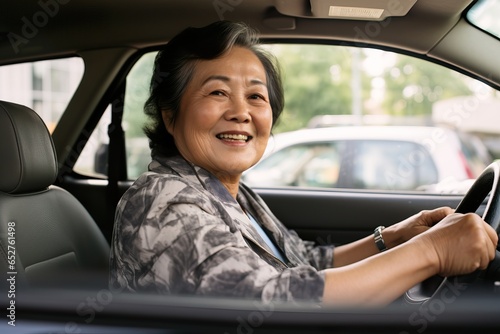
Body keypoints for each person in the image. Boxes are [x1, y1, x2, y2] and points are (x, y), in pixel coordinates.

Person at [109, 21, 498, 306]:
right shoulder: (161, 203)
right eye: (217, 92)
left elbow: (304, 262)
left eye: (257, 97)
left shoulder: (226, 190)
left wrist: (396, 237)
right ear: (170, 115)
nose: (241, 112)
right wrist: (431, 251)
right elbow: (275, 305)